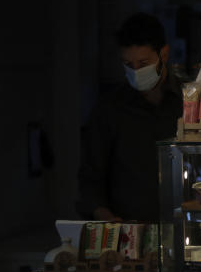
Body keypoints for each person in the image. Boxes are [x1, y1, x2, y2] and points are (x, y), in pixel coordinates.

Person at [77, 13, 182, 223]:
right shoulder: (110, 109)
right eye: (128, 64)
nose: (136, 71)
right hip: (129, 233)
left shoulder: (188, 102)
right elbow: (90, 177)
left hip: (184, 227)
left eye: (143, 63)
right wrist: (106, 217)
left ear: (164, 54)